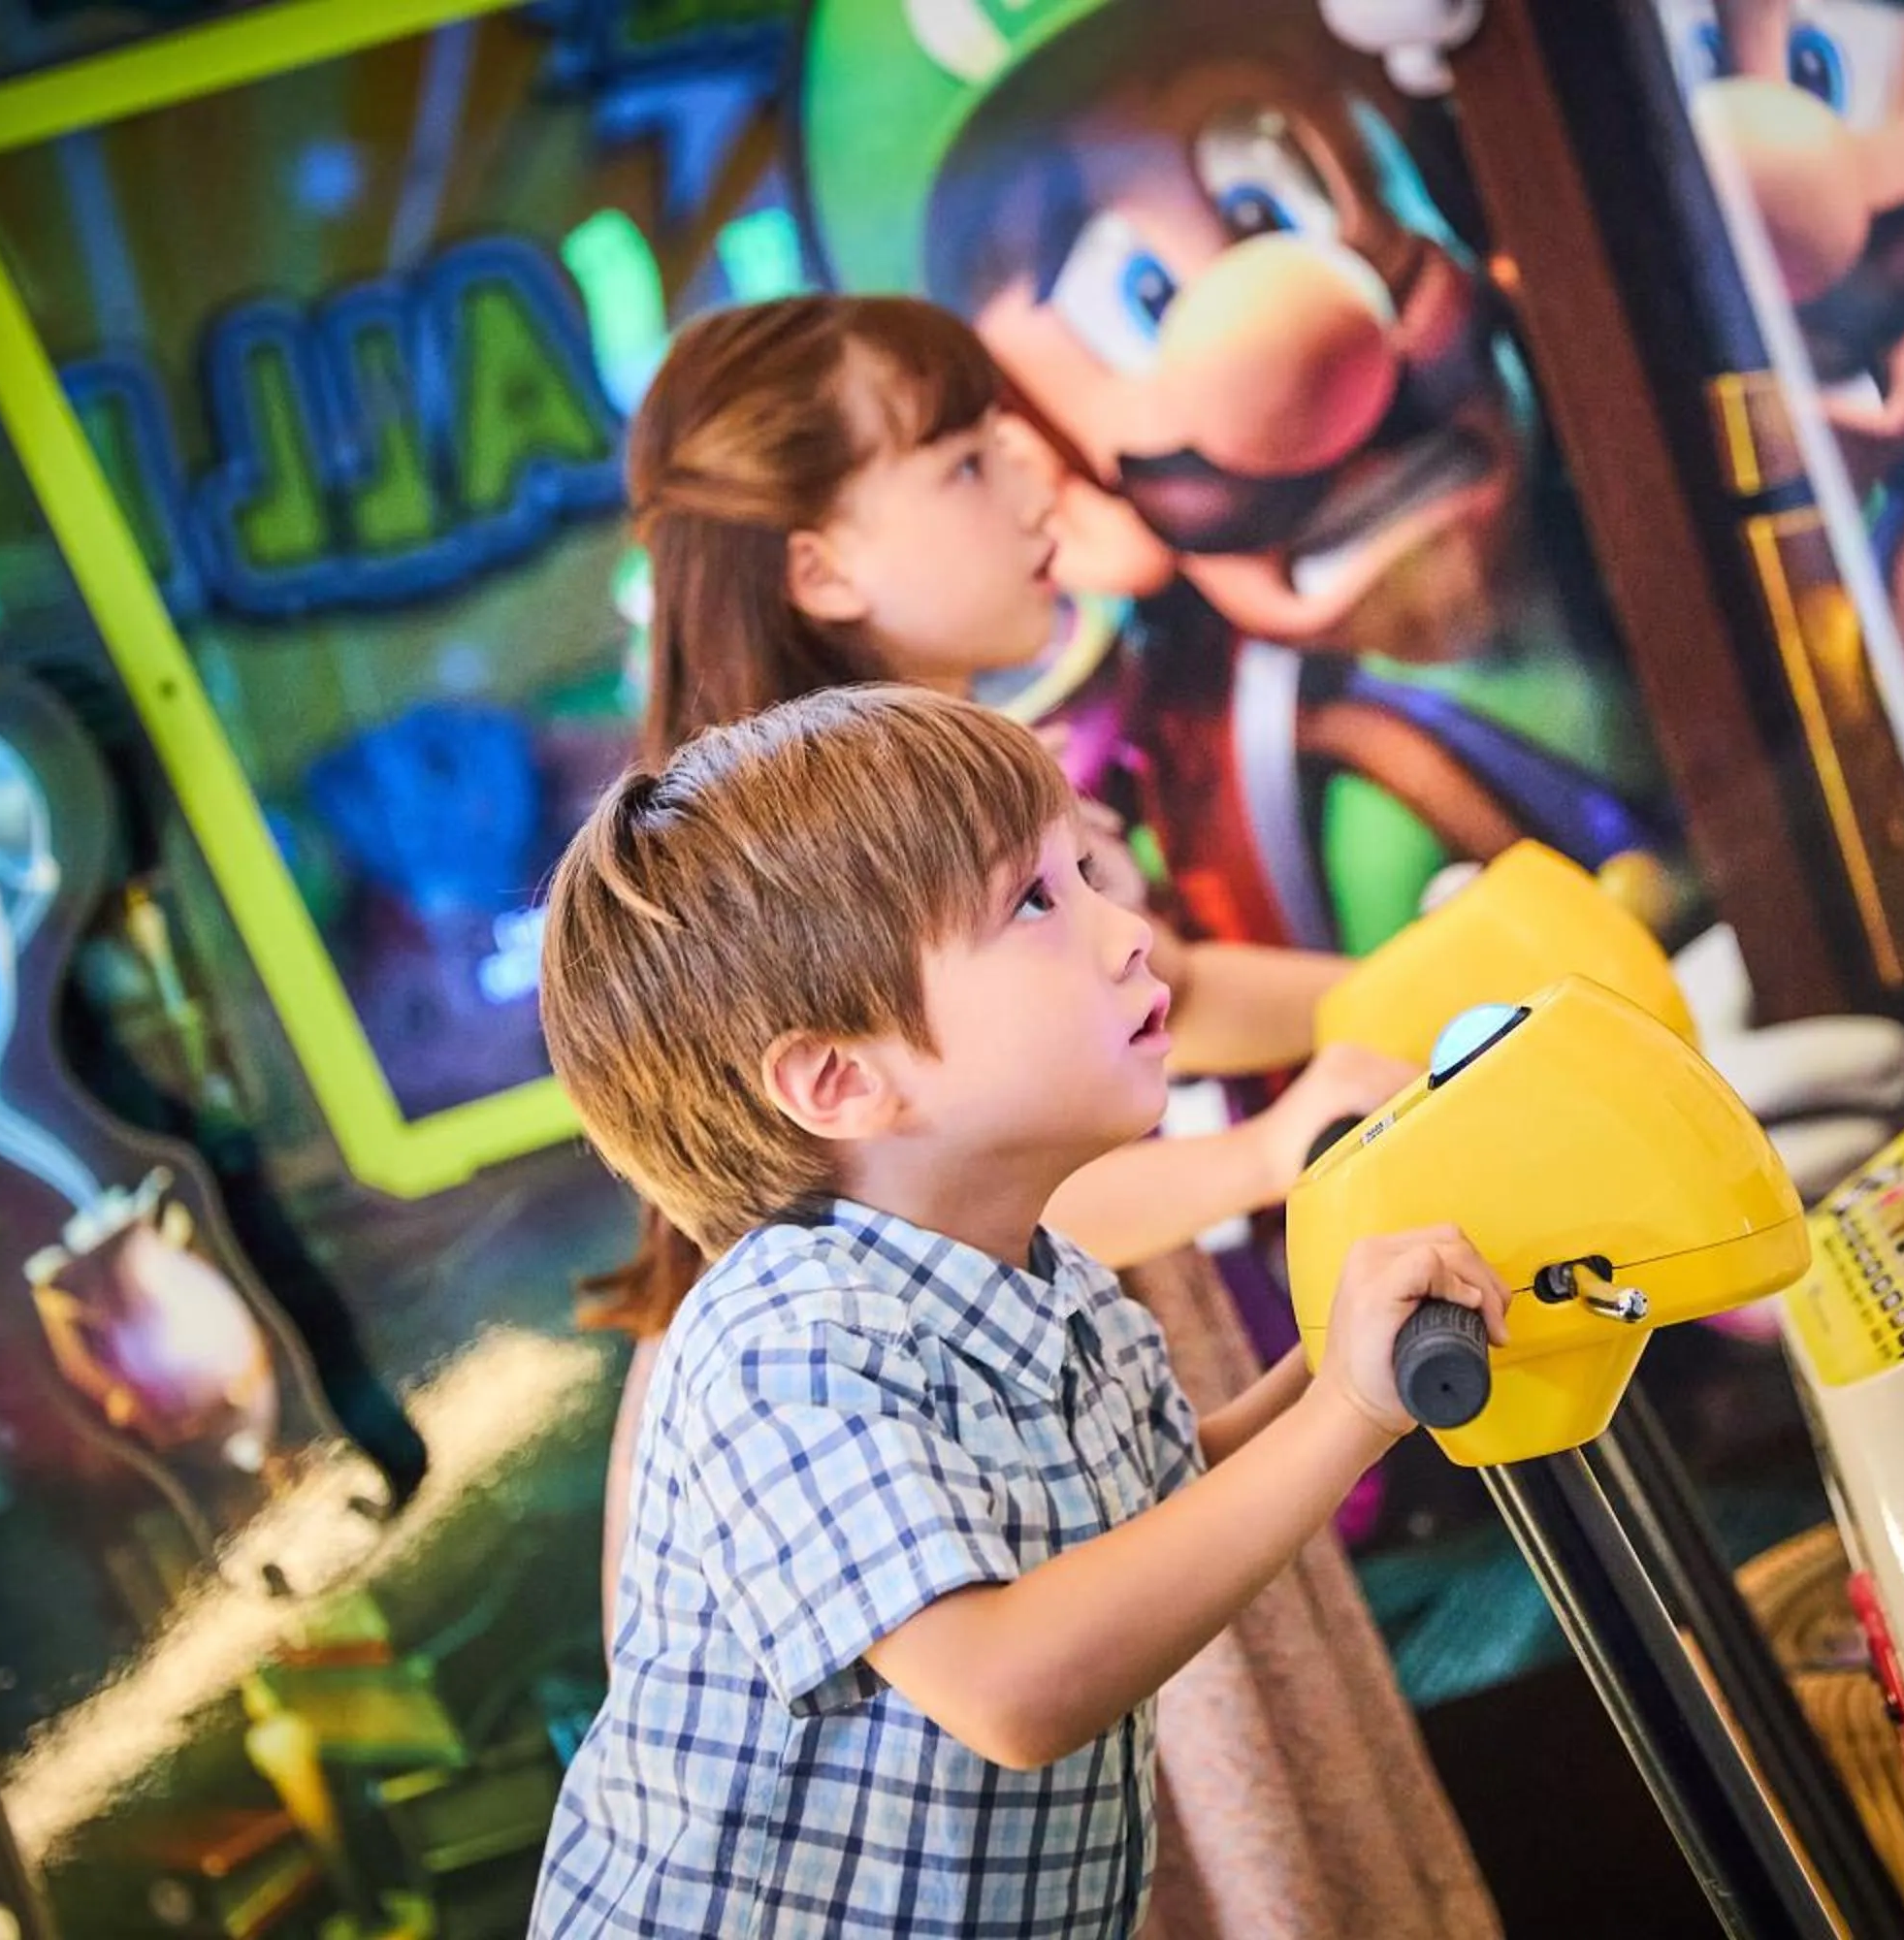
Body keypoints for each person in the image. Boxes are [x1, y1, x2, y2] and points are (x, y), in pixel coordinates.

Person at [587, 294, 1501, 1936]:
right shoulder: (802, 1268)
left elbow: (1146, 1448)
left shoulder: (1037, 1270)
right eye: (955, 457)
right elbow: (1008, 1682)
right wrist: (1267, 1171)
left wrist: (1334, 1361)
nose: (1030, 482)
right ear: (816, 565)